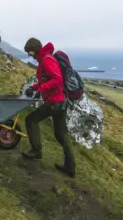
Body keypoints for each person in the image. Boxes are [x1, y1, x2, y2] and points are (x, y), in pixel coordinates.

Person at [22, 38, 76, 178]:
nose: (30, 55)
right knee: (61, 134)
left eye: (30, 52)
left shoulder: (46, 60)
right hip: (59, 101)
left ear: (34, 49)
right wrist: (34, 88)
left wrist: (41, 88)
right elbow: (45, 80)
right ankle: (70, 167)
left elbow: (57, 79)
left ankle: (36, 151)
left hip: (54, 102)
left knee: (31, 120)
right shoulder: (44, 59)